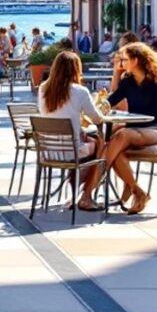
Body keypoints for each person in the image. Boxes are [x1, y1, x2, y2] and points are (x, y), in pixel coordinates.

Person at [96, 42, 157, 214]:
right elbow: (113, 99)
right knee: (115, 146)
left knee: (121, 135)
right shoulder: (129, 81)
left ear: (136, 60)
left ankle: (98, 177)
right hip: (137, 130)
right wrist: (102, 105)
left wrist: (137, 119)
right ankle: (136, 189)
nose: (121, 63)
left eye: (124, 59)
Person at [39, 51, 105, 212]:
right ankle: (86, 195)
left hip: (48, 151)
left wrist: (79, 129)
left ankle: (77, 188)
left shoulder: (43, 88)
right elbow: (97, 119)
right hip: (72, 151)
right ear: (76, 69)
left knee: (91, 142)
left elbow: (49, 116)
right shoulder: (80, 91)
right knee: (103, 146)